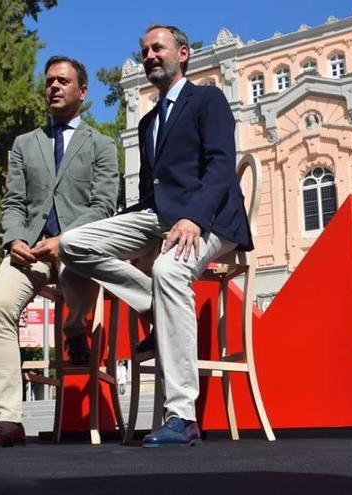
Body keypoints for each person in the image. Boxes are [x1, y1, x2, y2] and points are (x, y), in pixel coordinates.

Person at [60, 24, 252, 447]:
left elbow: (221, 166)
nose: (149, 56)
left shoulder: (208, 99)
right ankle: (155, 306)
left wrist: (194, 219)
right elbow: (150, 192)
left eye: (157, 48)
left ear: (182, 54)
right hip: (156, 216)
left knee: (168, 269)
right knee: (74, 244)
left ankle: (182, 417)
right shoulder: (148, 122)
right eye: (144, 50)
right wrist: (122, 232)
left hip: (214, 218)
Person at [0, 55, 119, 448]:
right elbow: (13, 201)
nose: (53, 86)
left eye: (63, 81)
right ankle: (8, 421)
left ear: (82, 91)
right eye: (49, 81)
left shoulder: (102, 145)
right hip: (30, 251)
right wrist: (13, 238)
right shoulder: (23, 144)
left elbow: (104, 206)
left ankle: (75, 327)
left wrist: (65, 239)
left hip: (76, 250)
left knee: (80, 285)